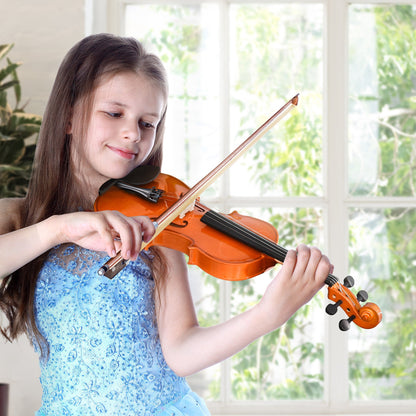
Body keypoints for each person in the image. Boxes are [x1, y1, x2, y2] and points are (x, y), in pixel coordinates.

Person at [0, 33, 333, 415]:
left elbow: (181, 352)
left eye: (147, 122)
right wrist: (58, 228)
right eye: (114, 113)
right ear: (70, 116)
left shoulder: (156, 226)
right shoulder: (21, 218)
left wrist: (266, 315)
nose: (132, 134)